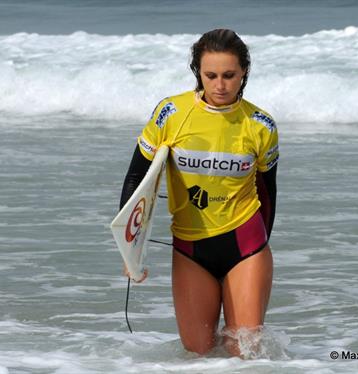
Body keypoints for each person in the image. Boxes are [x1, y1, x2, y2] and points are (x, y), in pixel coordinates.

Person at [119, 29, 278, 357]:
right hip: (191, 247)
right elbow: (137, 176)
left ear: (243, 73)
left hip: (245, 243)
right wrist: (129, 249)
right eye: (211, 75)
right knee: (197, 355)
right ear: (198, 73)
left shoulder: (261, 125)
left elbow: (267, 191)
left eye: (229, 76)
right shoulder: (171, 114)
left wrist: (260, 243)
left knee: (243, 354)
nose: (220, 85)